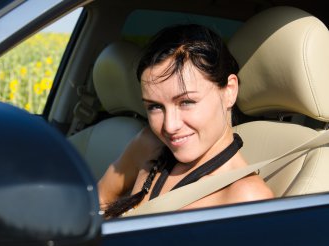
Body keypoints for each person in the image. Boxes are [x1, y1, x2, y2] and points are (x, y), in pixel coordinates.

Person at [98, 24, 274, 218]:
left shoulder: (246, 198)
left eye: (186, 102)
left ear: (229, 91)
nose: (170, 126)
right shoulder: (149, 144)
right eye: (155, 106)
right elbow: (97, 203)